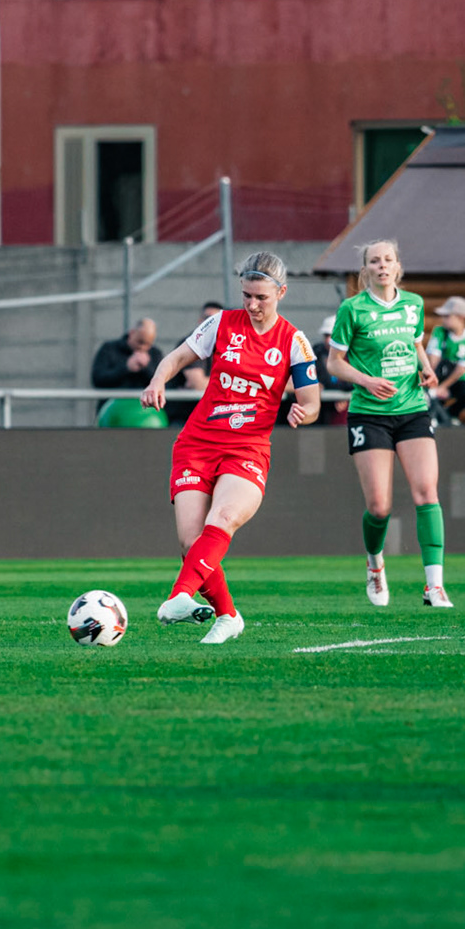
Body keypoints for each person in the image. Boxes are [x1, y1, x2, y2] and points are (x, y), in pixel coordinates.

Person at [141, 253, 321, 645]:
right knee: (191, 544)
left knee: (222, 517)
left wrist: (302, 412)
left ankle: (179, 596)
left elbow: (312, 402)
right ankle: (228, 617)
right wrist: (157, 380)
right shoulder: (221, 323)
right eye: (247, 296)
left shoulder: (294, 341)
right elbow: (177, 357)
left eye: (261, 297)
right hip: (196, 444)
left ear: (281, 293)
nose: (252, 305)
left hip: (247, 449)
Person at [324, 240, 452, 608]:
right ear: (365, 270)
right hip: (369, 413)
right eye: (374, 261)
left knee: (426, 492)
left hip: (412, 409)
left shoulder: (413, 304)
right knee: (379, 507)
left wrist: (426, 369)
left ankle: (434, 586)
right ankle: (375, 563)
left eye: (388, 260)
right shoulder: (353, 309)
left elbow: (416, 344)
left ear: (397, 266)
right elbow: (334, 363)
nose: (382, 266)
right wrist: (366, 381)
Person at [165, 302, 225, 424]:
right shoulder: (192, 343)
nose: (211, 324)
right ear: (200, 321)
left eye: (216, 320)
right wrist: (228, 384)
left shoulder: (227, 345)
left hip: (210, 414)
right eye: (208, 319)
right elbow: (197, 384)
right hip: (183, 415)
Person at [426, 296, 465, 425]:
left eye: (447, 316)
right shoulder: (439, 332)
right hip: (438, 377)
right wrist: (435, 385)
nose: (443, 320)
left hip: (456, 380)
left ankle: (450, 414)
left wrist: (444, 387)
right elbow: (434, 359)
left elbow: (462, 368)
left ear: (461, 318)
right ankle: (440, 418)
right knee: (431, 397)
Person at [91, 318, 162, 397]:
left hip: (144, 404)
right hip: (113, 402)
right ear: (132, 333)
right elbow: (98, 380)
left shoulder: (155, 354)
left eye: (148, 344)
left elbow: (164, 384)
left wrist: (146, 368)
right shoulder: (109, 349)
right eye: (140, 342)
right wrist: (126, 368)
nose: (143, 347)